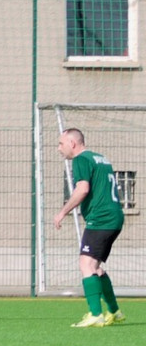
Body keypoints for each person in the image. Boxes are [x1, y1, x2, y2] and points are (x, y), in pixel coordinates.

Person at [53, 128, 126, 328]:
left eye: (61, 144)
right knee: (95, 267)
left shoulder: (81, 160)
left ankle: (95, 314)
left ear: (72, 143)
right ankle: (114, 311)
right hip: (115, 217)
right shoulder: (100, 158)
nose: (59, 149)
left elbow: (82, 189)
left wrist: (63, 211)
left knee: (85, 265)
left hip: (101, 219)